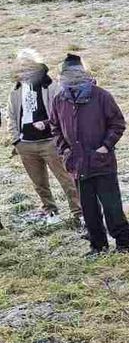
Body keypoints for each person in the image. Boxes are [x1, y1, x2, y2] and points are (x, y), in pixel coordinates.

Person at [49, 54, 129, 256]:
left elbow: (117, 123)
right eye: (66, 74)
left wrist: (105, 147)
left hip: (102, 163)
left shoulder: (101, 96)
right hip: (77, 165)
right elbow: (55, 128)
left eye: (74, 73)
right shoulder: (59, 100)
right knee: (89, 210)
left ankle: (123, 244)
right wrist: (66, 152)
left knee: (112, 207)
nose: (70, 77)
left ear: (82, 73)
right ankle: (98, 246)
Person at [8, 48, 82, 226]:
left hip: (50, 141)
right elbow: (11, 116)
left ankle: (78, 213)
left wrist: (47, 124)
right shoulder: (16, 89)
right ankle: (51, 212)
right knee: (39, 183)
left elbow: (61, 112)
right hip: (26, 144)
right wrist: (16, 140)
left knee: (66, 179)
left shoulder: (50, 85)